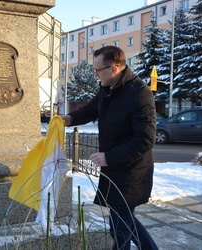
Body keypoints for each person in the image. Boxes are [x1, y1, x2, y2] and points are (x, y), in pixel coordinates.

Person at [60, 46, 158, 250]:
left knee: (121, 228)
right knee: (122, 224)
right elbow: (91, 109)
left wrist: (108, 158)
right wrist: (70, 119)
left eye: (98, 70)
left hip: (131, 172)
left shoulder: (139, 93)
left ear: (113, 69)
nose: (95, 74)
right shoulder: (108, 89)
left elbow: (145, 140)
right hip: (115, 170)